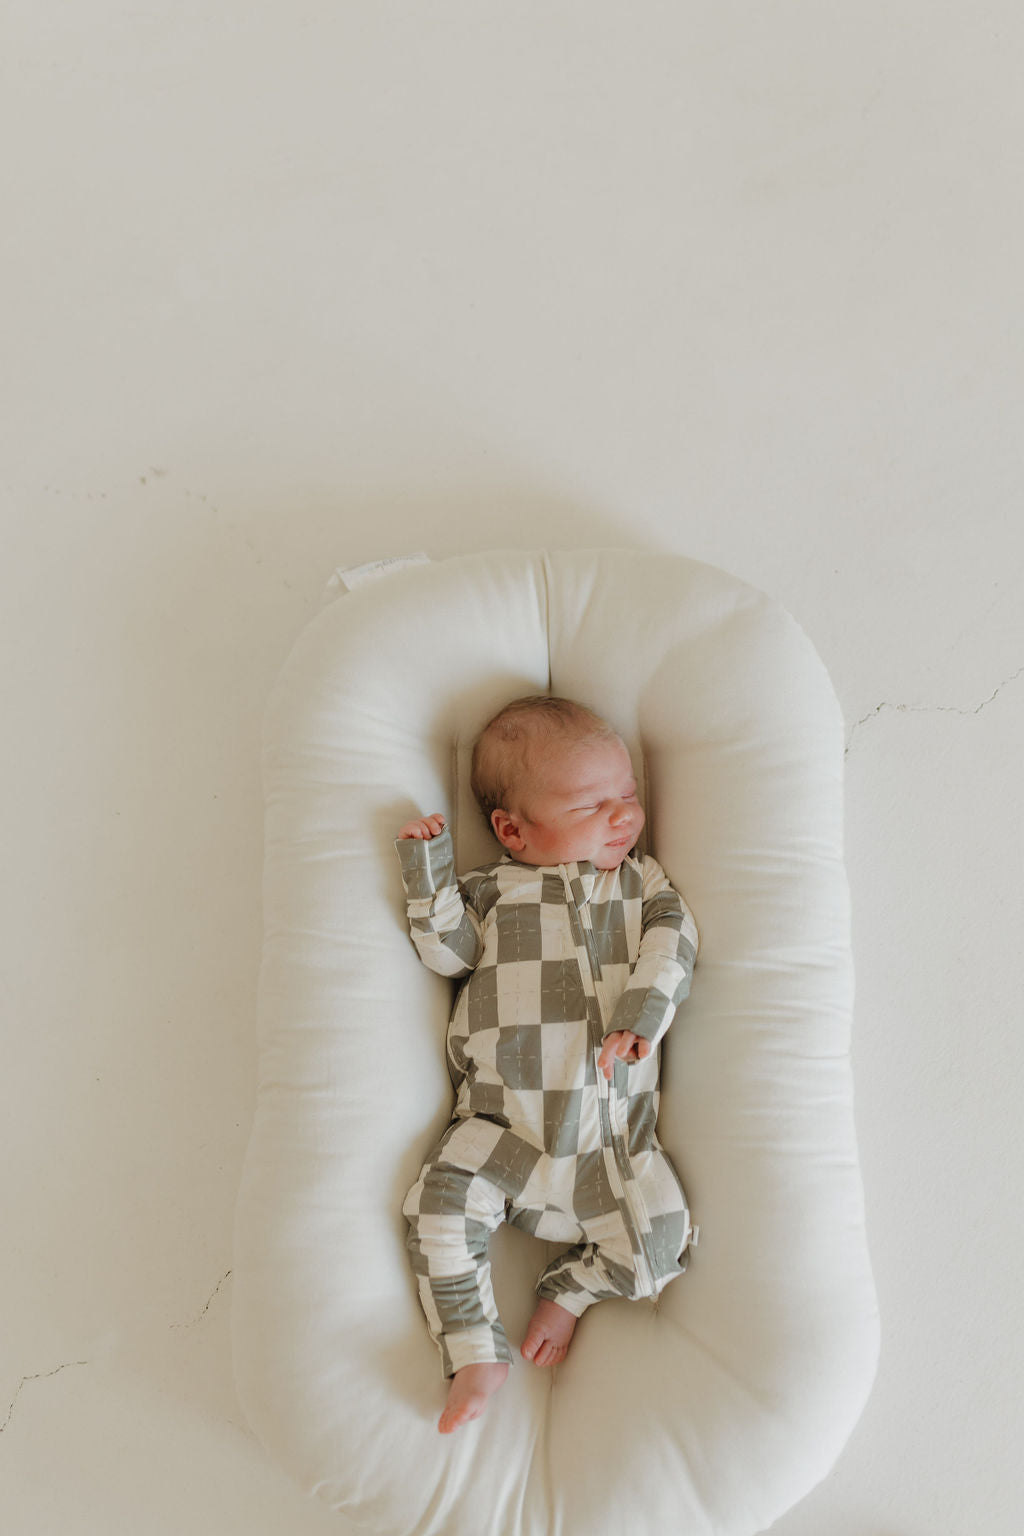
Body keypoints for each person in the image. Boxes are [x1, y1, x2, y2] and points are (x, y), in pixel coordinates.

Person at [395, 695, 699, 1434]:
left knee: (665, 1246)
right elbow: (447, 951)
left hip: (611, 1145)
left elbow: (675, 943)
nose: (622, 815)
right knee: (435, 1209)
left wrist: (641, 1015)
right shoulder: (493, 892)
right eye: (593, 803)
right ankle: (473, 1349)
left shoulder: (642, 886)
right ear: (512, 830)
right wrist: (429, 876)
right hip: (502, 1132)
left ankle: (571, 1289)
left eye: (626, 793)